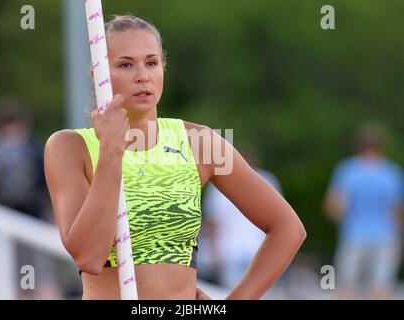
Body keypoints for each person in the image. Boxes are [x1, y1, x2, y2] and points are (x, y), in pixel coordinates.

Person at [44, 15, 306, 300]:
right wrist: (110, 152)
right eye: (126, 64)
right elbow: (88, 257)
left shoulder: (199, 143)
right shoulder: (70, 148)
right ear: (99, 75)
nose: (142, 75)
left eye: (151, 63)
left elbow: (288, 228)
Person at [0, 96, 61, 299]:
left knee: (12, 278)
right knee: (35, 278)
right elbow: (46, 182)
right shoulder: (31, 146)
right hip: (32, 220)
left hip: (3, 221)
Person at [324, 122, 404, 299]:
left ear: (359, 146)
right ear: (383, 147)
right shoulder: (391, 173)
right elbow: (396, 211)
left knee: (345, 286)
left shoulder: (348, 170)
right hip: (385, 235)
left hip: (354, 233)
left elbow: (334, 206)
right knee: (381, 287)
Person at [198, 152, 283, 289]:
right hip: (259, 252)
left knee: (231, 291)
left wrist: (214, 253)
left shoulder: (220, 182)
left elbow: (213, 222)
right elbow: (280, 221)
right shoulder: (268, 180)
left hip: (232, 253)